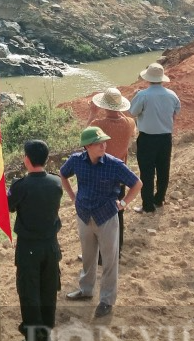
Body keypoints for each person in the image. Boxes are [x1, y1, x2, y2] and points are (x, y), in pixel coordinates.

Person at [59, 127, 141, 319]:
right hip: (84, 215)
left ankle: (106, 300)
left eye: (104, 142)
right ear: (87, 146)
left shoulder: (114, 165)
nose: (103, 146)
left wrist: (123, 203)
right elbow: (63, 174)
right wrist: (72, 196)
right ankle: (86, 289)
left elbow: (137, 184)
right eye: (98, 143)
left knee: (109, 259)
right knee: (88, 256)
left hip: (106, 217)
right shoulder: (76, 161)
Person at [7, 140, 63, 341]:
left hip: (29, 247)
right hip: (50, 245)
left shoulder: (21, 186)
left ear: (27, 160)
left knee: (29, 292)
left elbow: (8, 206)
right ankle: (45, 335)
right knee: (48, 290)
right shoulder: (56, 183)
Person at [128, 62, 181, 215]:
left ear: (148, 78)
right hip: (165, 138)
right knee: (164, 169)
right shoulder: (172, 95)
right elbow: (176, 111)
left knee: (147, 172)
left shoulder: (142, 95)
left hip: (147, 139)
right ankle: (159, 199)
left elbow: (133, 112)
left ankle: (148, 205)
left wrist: (134, 96)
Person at [88, 87, 137, 251]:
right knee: (117, 212)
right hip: (119, 174)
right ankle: (117, 247)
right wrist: (119, 111)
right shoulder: (129, 124)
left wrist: (93, 114)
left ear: (104, 106)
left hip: (100, 173)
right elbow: (127, 122)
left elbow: (85, 138)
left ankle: (101, 252)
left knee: (98, 214)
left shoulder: (98, 125)